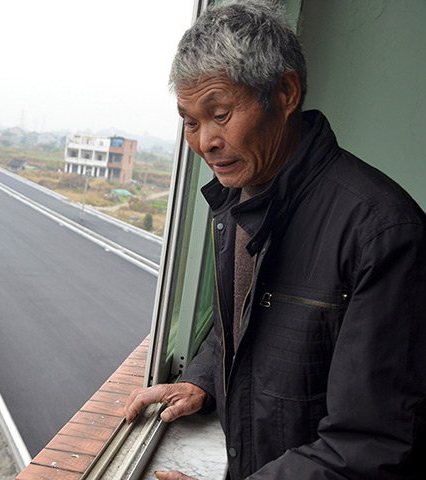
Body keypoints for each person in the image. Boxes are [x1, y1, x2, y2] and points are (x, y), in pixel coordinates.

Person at [123, 1, 426, 479]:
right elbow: (243, 329)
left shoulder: (382, 232)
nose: (205, 142)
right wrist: (203, 380)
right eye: (190, 121)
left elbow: (370, 444)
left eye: (219, 113)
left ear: (285, 93)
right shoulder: (239, 198)